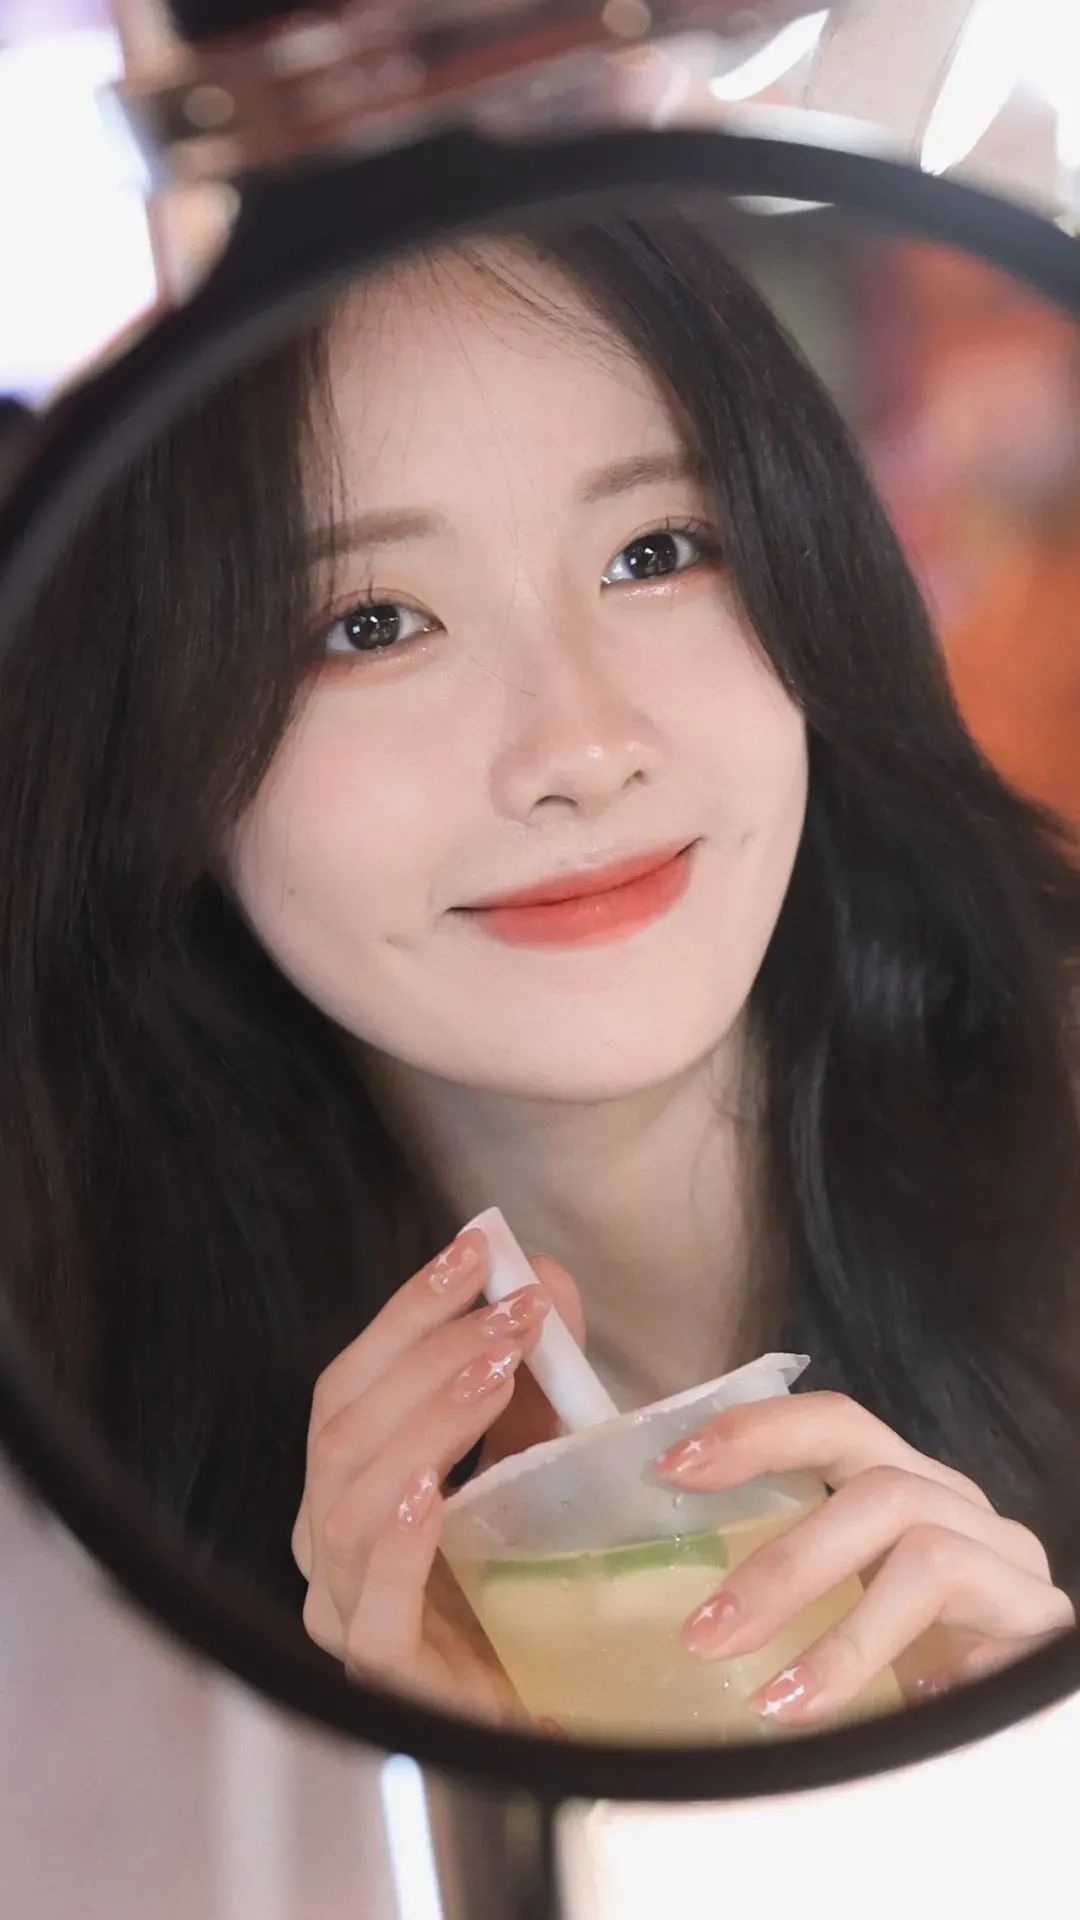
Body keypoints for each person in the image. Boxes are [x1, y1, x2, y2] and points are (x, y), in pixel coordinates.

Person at [2, 210, 1077, 1730]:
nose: (579, 749)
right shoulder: (76, 1496)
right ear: (155, 764)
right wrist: (454, 1795)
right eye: (370, 624)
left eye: (655, 553)